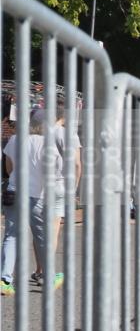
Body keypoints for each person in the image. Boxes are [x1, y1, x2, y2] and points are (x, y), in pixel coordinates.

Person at [1, 107, 81, 295]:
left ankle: (4, 279)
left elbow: (9, 168)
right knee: (42, 237)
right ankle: (49, 276)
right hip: (37, 195)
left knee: (11, 236)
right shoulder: (49, 145)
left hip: (13, 193)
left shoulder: (15, 139)